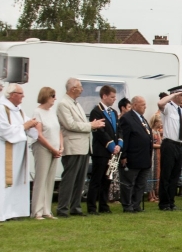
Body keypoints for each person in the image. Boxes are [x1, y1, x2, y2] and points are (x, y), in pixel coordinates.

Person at [56, 78, 106, 217]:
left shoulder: (76, 104)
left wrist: (92, 124)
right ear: (72, 89)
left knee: (80, 179)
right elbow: (70, 125)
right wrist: (91, 125)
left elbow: (80, 123)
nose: (82, 89)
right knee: (69, 179)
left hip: (83, 146)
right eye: (80, 86)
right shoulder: (63, 104)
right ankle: (63, 208)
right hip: (72, 146)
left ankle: (75, 207)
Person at [0, 84, 40, 221]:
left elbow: (27, 125)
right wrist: (25, 126)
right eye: (20, 93)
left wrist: (33, 124)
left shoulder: (19, 110)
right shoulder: (2, 108)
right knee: (5, 181)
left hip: (19, 151)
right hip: (5, 151)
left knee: (18, 181)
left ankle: (15, 211)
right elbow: (5, 131)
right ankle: (4, 212)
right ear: (12, 95)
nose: (23, 96)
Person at [87, 85, 122, 215]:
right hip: (100, 152)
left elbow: (118, 130)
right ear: (104, 96)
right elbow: (99, 133)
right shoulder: (96, 111)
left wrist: (119, 144)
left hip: (112, 153)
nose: (114, 99)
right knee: (97, 180)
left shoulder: (113, 112)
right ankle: (91, 207)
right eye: (112, 97)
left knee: (107, 179)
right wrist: (112, 146)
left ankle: (103, 205)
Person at [30, 87, 62, 220]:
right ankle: (36, 211)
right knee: (41, 179)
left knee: (50, 180)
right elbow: (39, 135)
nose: (55, 98)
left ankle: (46, 210)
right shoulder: (38, 112)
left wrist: (61, 147)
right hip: (43, 148)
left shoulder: (52, 111)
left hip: (55, 148)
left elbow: (58, 130)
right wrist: (52, 148)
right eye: (53, 96)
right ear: (46, 96)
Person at [118, 96, 153, 213]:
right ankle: (127, 205)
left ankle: (136, 204)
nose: (145, 107)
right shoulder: (127, 119)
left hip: (144, 157)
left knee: (140, 184)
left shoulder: (142, 119)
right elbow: (124, 138)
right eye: (142, 105)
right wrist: (123, 156)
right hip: (132, 157)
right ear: (134, 105)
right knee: (128, 183)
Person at [156, 85, 182, 211]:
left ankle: (171, 201)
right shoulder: (168, 107)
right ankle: (164, 203)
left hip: (180, 145)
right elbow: (160, 102)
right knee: (166, 174)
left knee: (175, 175)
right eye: (180, 95)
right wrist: (173, 95)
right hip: (169, 144)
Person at [148, 115, 162, 202]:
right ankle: (150, 195)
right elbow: (151, 144)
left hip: (158, 154)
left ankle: (155, 193)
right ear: (156, 122)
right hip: (153, 154)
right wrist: (160, 146)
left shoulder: (157, 132)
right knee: (151, 173)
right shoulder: (152, 132)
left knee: (156, 173)